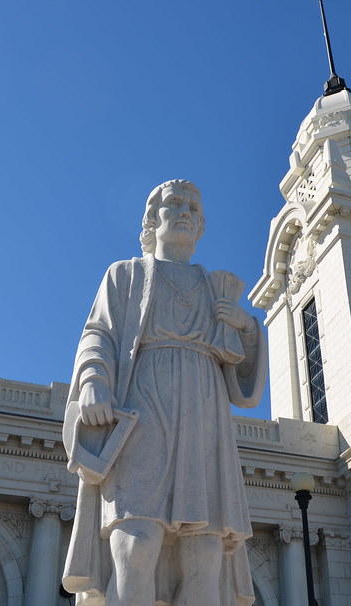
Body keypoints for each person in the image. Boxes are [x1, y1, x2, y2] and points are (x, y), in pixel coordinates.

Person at [62, 179, 266, 606]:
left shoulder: (217, 287)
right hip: (143, 412)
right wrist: (94, 382)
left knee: (206, 554)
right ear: (153, 219)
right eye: (175, 203)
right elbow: (97, 333)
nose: (186, 211)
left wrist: (247, 328)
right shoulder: (126, 274)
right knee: (135, 543)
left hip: (205, 418)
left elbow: (244, 385)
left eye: (194, 207)